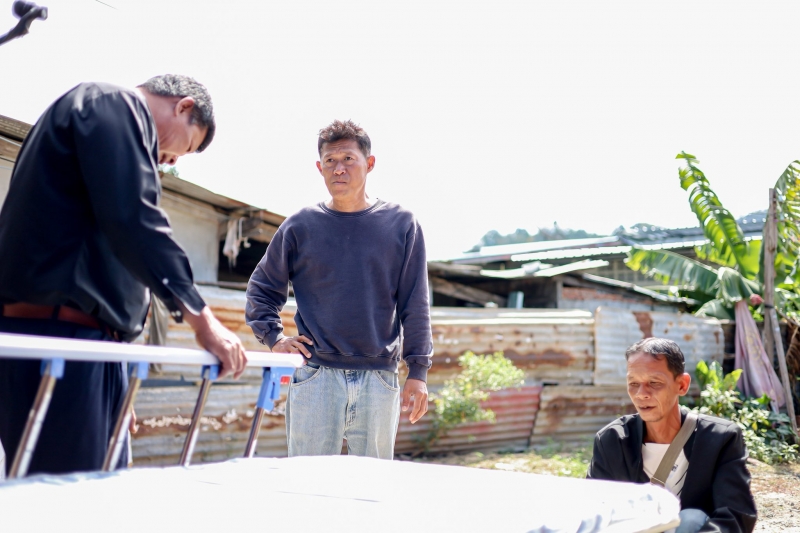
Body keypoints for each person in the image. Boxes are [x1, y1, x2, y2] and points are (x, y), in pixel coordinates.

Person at [0, 75, 247, 475]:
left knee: (95, 490)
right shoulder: (112, 103)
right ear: (184, 106)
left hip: (89, 351)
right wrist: (204, 321)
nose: (172, 161)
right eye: (186, 147)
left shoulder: (106, 126)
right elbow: (134, 220)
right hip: (62, 342)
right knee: (67, 495)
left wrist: (117, 378)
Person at [246, 119, 432, 459]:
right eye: (330, 161)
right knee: (308, 481)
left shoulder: (401, 224)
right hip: (315, 376)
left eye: (348, 159)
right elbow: (261, 289)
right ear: (320, 168)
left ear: (369, 163)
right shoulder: (300, 226)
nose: (339, 168)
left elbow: (415, 303)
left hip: (379, 379)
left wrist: (417, 371)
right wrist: (275, 338)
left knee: (372, 482)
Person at [587, 338, 757, 533]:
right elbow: (594, 510)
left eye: (654, 382)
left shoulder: (720, 439)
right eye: (633, 383)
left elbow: (735, 515)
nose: (641, 394)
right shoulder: (612, 440)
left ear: (682, 385)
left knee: (691, 518)